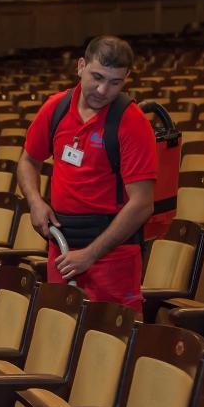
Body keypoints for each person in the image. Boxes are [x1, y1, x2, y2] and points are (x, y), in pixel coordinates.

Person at [17, 35, 157, 313]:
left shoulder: (132, 123)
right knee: (63, 333)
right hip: (63, 246)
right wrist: (34, 201)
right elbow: (28, 161)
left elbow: (142, 204)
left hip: (112, 254)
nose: (103, 90)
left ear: (127, 78)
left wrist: (90, 254)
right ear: (80, 66)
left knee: (113, 342)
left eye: (115, 82)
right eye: (97, 77)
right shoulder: (56, 108)